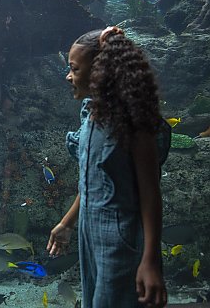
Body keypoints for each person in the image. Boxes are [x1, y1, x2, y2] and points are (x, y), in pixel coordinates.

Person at [47, 26, 170, 308]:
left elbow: (150, 193)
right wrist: (67, 223)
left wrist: (149, 260)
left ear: (100, 73)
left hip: (121, 240)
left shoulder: (135, 123)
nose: (68, 76)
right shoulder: (90, 115)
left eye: (75, 69)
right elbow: (94, 182)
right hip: (89, 236)